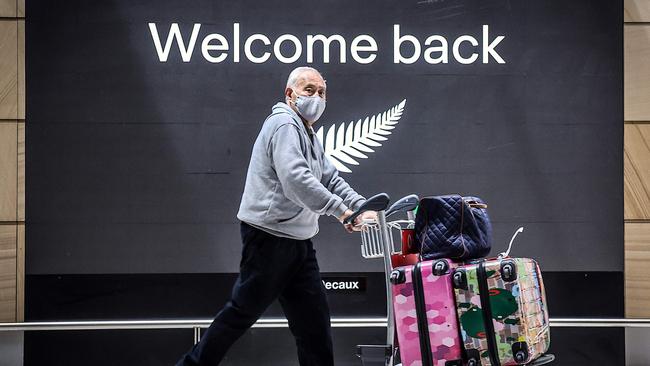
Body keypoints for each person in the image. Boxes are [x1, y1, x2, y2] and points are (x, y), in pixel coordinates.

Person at [176, 66, 375, 366]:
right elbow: (296, 180)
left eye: (321, 92)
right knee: (239, 315)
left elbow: (329, 177)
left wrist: (360, 206)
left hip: (300, 244)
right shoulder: (283, 125)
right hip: (269, 240)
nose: (317, 98)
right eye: (309, 90)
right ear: (290, 94)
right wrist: (340, 211)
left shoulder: (307, 132)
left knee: (314, 327)